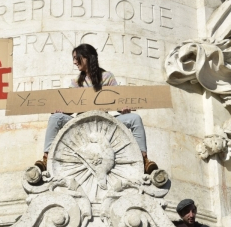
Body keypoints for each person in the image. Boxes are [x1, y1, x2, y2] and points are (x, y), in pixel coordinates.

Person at [35, 43, 157, 174]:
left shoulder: (107, 77)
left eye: (77, 58)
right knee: (55, 118)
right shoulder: (76, 82)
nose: (74, 62)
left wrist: (124, 109)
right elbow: (70, 106)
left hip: (104, 121)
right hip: (81, 123)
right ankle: (46, 158)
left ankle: (143, 159)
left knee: (135, 119)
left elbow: (118, 101)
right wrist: (61, 110)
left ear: (87, 57)